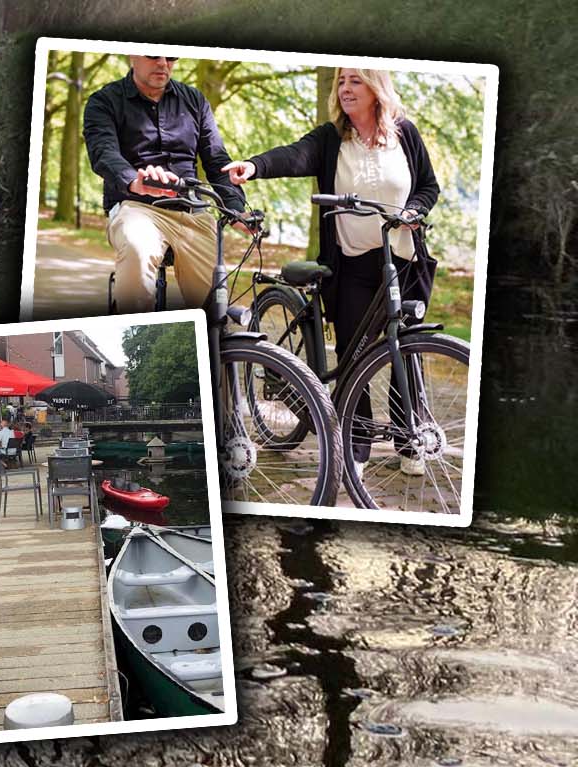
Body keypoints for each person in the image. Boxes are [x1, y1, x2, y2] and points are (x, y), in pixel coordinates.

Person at [221, 67, 440, 478]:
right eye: (341, 81)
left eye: (355, 80)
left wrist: (416, 211)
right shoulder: (330, 138)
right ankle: (355, 441)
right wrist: (254, 166)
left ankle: (409, 437)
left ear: (376, 88)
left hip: (405, 260)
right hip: (353, 261)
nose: (345, 88)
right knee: (355, 354)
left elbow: (429, 185)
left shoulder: (405, 133)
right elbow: (295, 155)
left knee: (405, 351)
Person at [84, 54, 247, 312]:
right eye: (153, 56)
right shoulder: (104, 101)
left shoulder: (195, 101)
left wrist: (237, 209)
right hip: (136, 207)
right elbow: (103, 152)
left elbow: (216, 161)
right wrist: (133, 180)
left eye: (171, 57)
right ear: (132, 55)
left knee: (215, 311)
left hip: (192, 210)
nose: (163, 63)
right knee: (138, 248)